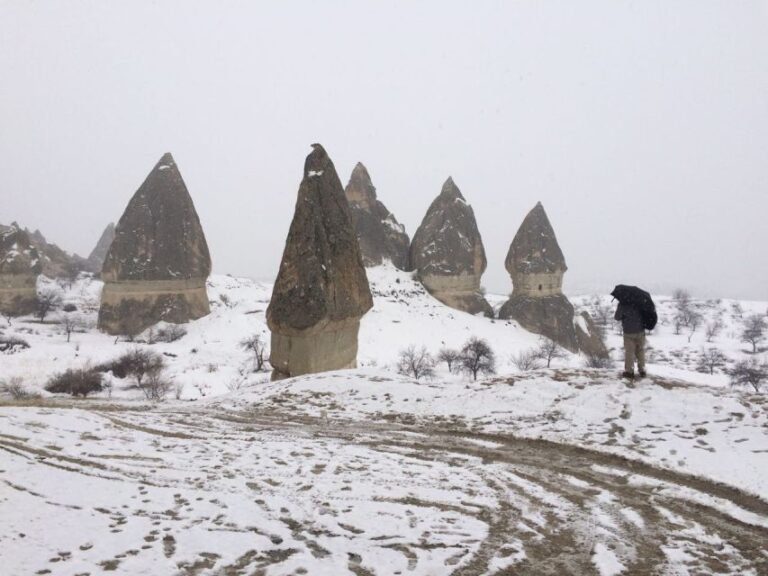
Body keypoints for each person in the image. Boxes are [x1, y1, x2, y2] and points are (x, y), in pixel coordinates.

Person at [615, 301, 646, 378]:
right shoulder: (640, 302)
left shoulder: (623, 303)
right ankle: (642, 370)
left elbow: (617, 317)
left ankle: (629, 372)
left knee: (629, 352)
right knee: (640, 350)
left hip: (629, 332)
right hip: (640, 331)